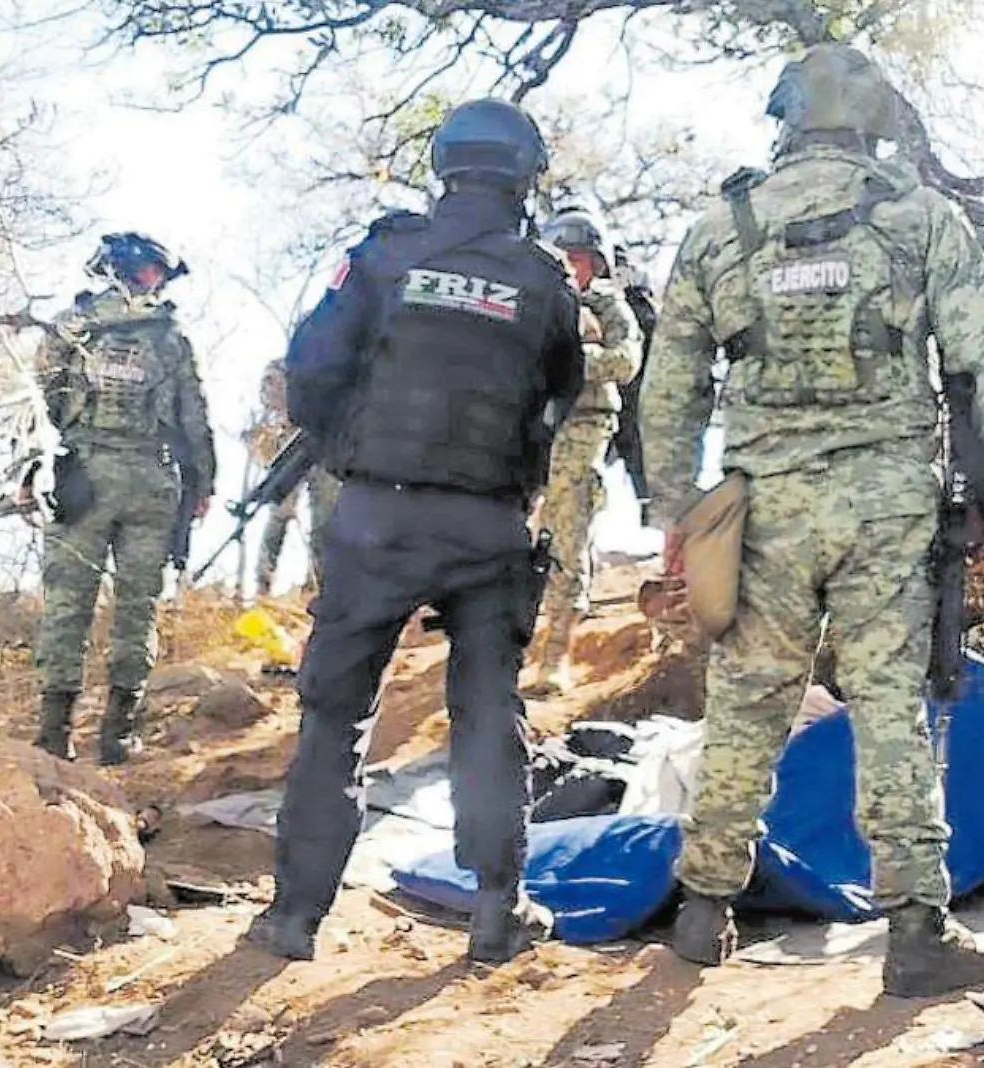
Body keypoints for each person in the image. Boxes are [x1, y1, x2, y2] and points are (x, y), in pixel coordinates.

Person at [639, 43, 984, 998]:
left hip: (759, 507)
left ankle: (701, 912)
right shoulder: (919, 216)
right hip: (888, 504)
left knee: (746, 700)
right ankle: (915, 934)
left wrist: (674, 511)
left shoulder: (720, 228)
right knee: (889, 705)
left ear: (785, 116)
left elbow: (670, 387)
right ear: (876, 121)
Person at [244, 98, 585, 964]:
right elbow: (561, 391)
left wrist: (349, 444)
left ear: (445, 166)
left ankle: (294, 920)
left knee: (335, 718)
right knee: (484, 711)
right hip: (486, 521)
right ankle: (497, 912)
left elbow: (312, 368)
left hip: (375, 517)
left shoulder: (381, 255)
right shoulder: (544, 279)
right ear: (525, 177)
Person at [32, 232, 215, 765]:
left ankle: (55, 734)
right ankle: (116, 736)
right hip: (148, 482)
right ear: (144, 272)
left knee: (69, 603)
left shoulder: (71, 325)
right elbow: (193, 418)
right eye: (156, 273)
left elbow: (41, 396)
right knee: (138, 607)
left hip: (84, 477)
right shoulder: (171, 339)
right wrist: (202, 483)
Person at [522, 207, 644, 697]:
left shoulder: (607, 305)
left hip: (583, 426)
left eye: (580, 258)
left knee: (567, 533)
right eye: (563, 257)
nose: (572, 267)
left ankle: (556, 656)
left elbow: (626, 360)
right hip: (529, 428)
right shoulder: (535, 300)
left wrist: (574, 356)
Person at [246, 357, 341, 594]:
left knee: (325, 520)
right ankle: (262, 585)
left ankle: (320, 585)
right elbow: (269, 397)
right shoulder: (286, 365)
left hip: (325, 448)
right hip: (291, 448)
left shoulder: (334, 367)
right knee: (279, 515)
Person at [607, 247, 660, 525]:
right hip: (611, 393)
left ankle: (654, 523)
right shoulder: (603, 299)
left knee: (641, 462)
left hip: (634, 394)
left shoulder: (637, 303)